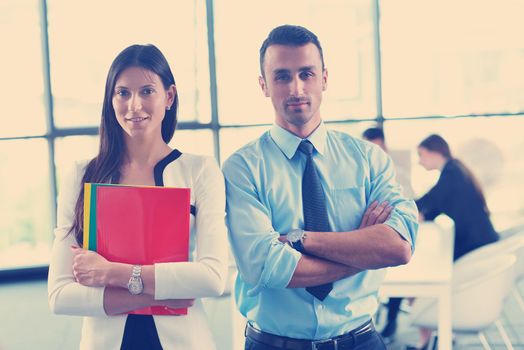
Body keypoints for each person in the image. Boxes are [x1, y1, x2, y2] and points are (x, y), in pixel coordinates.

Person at [222, 25, 418, 350]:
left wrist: (301, 240)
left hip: (361, 341)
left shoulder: (369, 160)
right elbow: (268, 267)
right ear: (264, 85)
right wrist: (362, 251)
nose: (297, 88)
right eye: (282, 76)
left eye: (307, 74)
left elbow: (398, 246)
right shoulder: (241, 168)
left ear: (324, 79)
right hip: (274, 344)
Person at [47, 44, 228, 349]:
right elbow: (60, 294)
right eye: (123, 93)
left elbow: (212, 277)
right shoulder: (82, 175)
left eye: (146, 91)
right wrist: (166, 292)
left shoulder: (199, 170)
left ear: (168, 97)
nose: (134, 106)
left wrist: (113, 273)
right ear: (110, 99)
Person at [384, 134, 500, 347]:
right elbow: (434, 207)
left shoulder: (452, 174)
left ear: (434, 151)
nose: (419, 161)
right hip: (477, 241)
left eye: (421, 155)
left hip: (475, 245)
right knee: (418, 269)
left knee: (418, 275)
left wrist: (399, 210)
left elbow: (430, 201)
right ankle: (425, 337)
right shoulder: (454, 170)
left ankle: (426, 334)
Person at [362, 127, 416, 339]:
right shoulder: (362, 169)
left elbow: (408, 205)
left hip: (391, 232)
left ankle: (391, 320)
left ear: (383, 144)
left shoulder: (396, 172)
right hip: (371, 231)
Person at [363, 127, 416, 199]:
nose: (372, 155)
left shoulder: (397, 172)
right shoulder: (361, 170)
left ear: (384, 147)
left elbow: (407, 196)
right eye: (368, 151)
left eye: (376, 150)